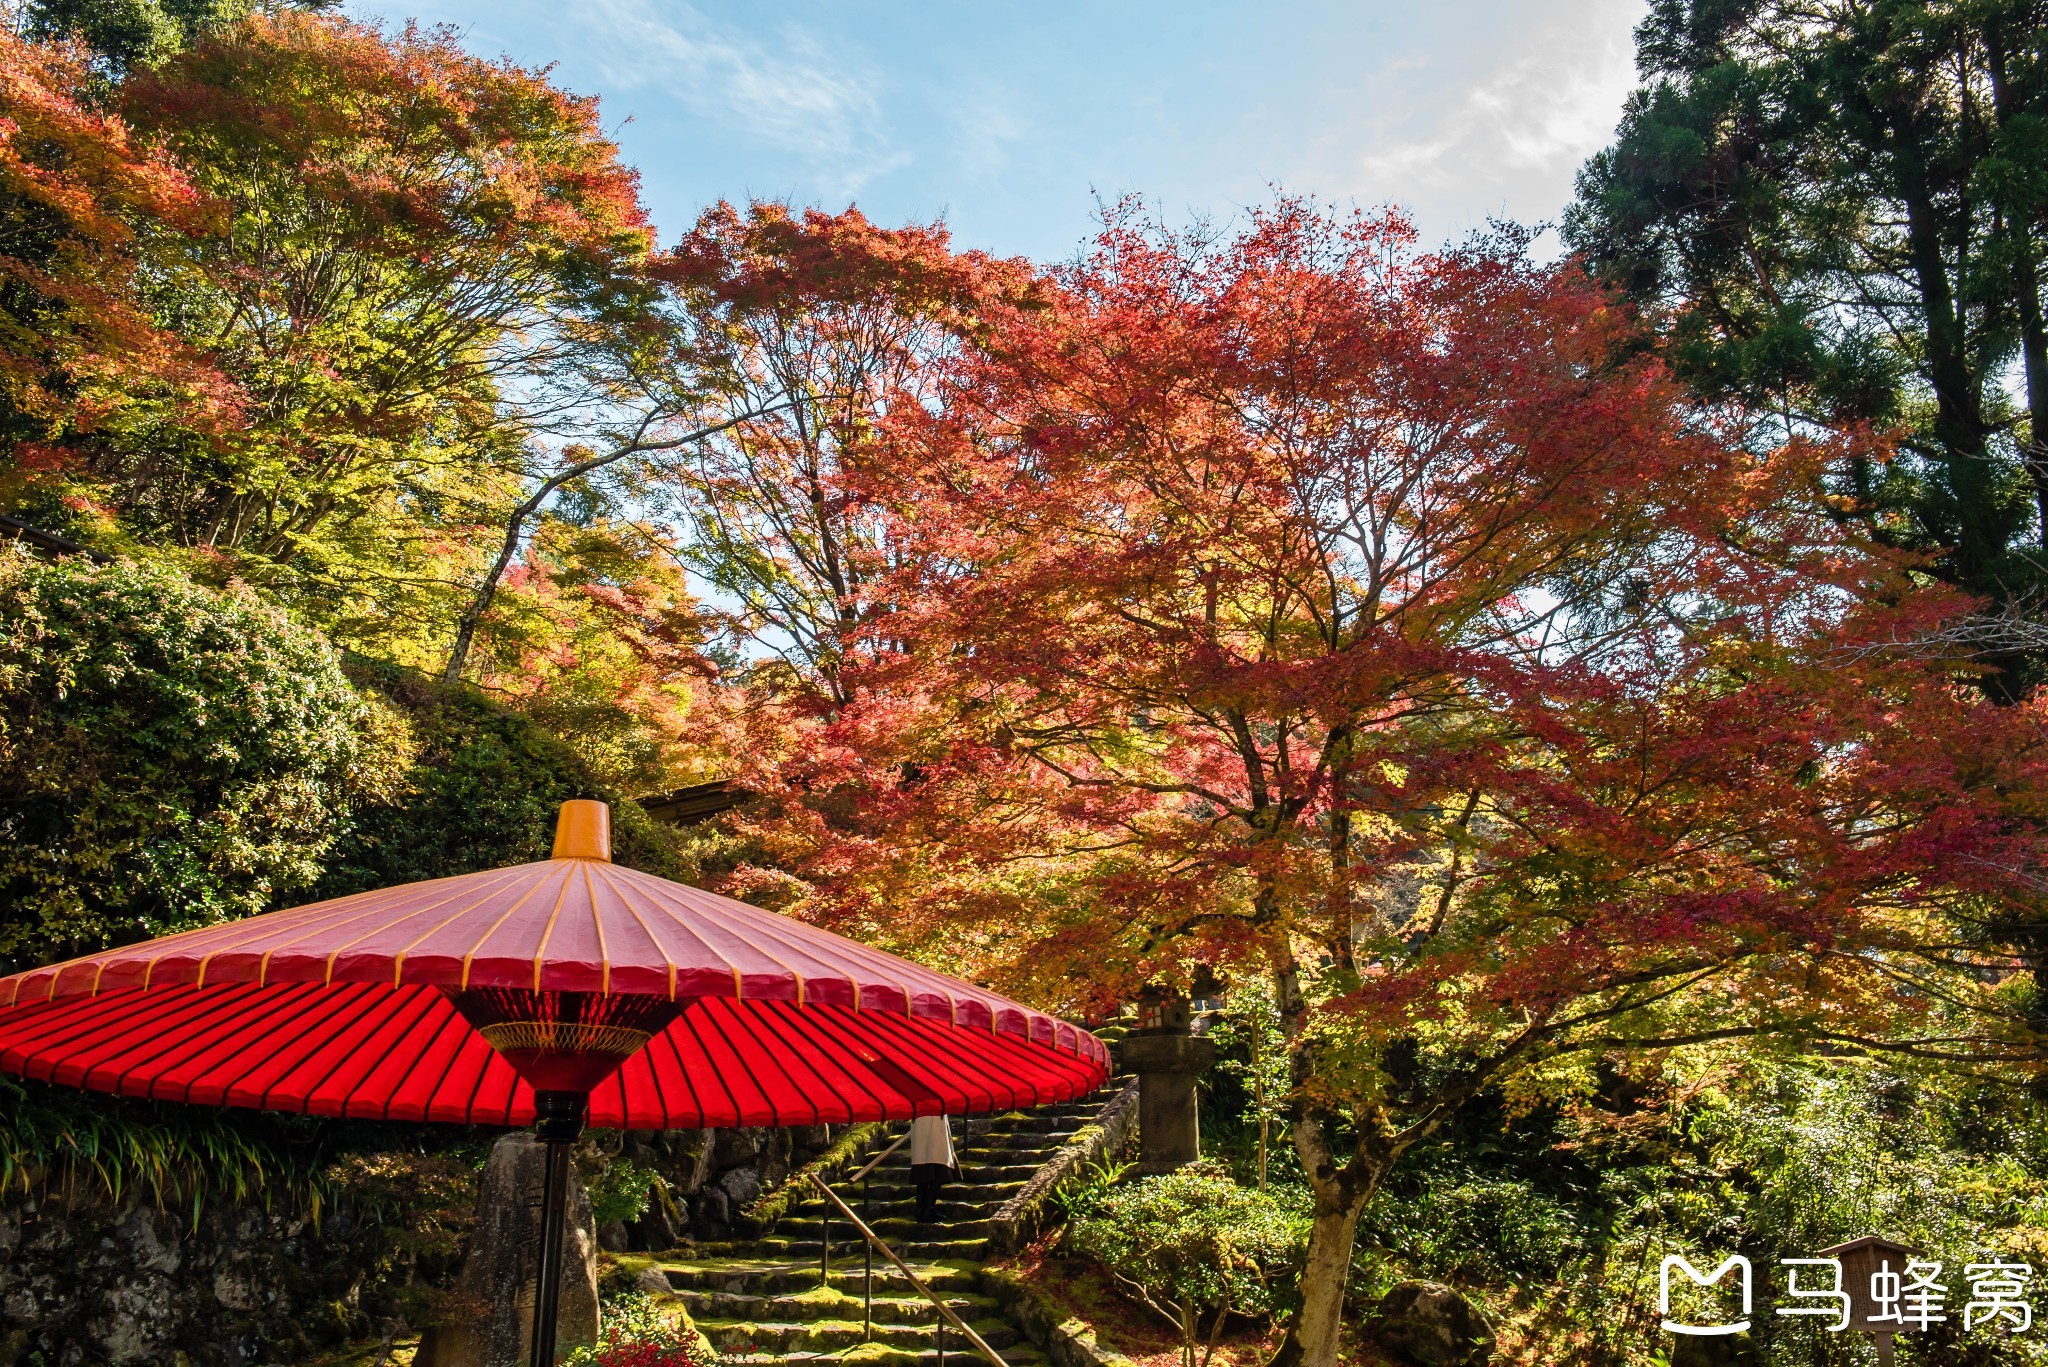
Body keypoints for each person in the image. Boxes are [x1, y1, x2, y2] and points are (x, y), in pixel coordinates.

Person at [909, 1113, 957, 1224]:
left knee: (925, 1172)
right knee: (938, 1170)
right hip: (933, 1123)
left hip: (926, 1123)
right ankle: (926, 1210)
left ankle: (923, 1210)